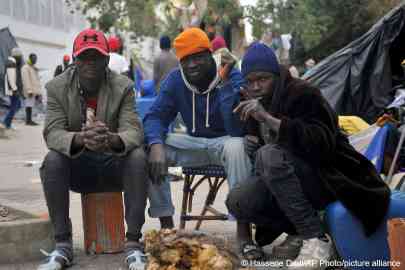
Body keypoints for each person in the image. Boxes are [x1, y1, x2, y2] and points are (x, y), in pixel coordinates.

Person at [226, 42, 391, 267]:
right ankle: (298, 234)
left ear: (276, 75)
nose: (256, 86)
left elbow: (323, 142)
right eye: (250, 81)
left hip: (329, 175)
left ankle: (316, 239)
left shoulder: (303, 93)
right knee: (238, 200)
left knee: (269, 155)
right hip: (290, 184)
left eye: (262, 79)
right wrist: (250, 138)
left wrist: (269, 120)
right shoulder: (254, 101)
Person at [38, 29, 148, 270]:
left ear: (106, 60)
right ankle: (63, 245)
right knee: (52, 160)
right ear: (74, 60)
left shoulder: (124, 87)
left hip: (113, 166)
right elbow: (53, 132)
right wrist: (80, 138)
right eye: (84, 57)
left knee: (138, 157)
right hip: (81, 169)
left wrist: (111, 139)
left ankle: (133, 244)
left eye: (95, 57)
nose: (89, 63)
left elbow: (133, 131)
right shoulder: (57, 87)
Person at [143, 28, 252, 223]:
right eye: (185, 60)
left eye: (198, 57)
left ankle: (243, 227)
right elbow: (155, 117)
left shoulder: (231, 75)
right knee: (149, 148)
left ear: (210, 55)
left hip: (225, 146)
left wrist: (225, 82)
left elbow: (237, 128)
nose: (191, 65)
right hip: (193, 146)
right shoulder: (176, 79)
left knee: (238, 146)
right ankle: (166, 227)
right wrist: (156, 145)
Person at [3, 47, 24, 130]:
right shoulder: (11, 63)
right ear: (17, 56)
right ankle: (5, 123)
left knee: (17, 105)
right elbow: (11, 78)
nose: (21, 58)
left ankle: (7, 123)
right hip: (13, 90)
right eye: (20, 56)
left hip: (15, 89)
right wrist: (15, 90)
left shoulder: (15, 63)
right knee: (14, 107)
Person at [21, 53, 41, 126]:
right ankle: (28, 120)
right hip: (30, 91)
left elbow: (36, 80)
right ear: (30, 59)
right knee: (28, 105)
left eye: (36, 58)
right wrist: (29, 90)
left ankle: (29, 120)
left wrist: (38, 92)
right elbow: (26, 80)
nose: (35, 60)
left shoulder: (33, 68)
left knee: (30, 105)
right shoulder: (26, 68)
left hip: (33, 91)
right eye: (33, 58)